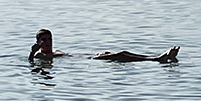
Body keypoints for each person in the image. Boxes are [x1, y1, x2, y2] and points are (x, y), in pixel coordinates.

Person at [28, 29, 180, 63]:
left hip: (90, 56)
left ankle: (154, 58)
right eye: (44, 40)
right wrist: (32, 52)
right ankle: (156, 59)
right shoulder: (40, 55)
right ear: (39, 42)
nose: (48, 42)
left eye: (49, 39)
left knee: (123, 52)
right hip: (90, 61)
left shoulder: (55, 51)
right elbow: (33, 64)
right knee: (121, 54)